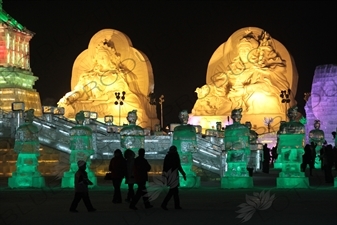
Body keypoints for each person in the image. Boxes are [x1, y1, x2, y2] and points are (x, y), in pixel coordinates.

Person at [161, 145, 186, 210]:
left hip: (170, 175)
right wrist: (183, 173)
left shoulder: (168, 156)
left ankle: (174, 205)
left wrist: (164, 176)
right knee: (173, 191)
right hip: (174, 175)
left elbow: (165, 167)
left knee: (174, 191)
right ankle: (167, 204)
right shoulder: (175, 156)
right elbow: (178, 166)